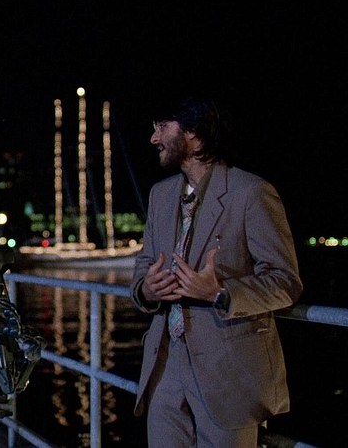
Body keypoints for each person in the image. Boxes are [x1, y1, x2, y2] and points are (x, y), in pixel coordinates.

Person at [130, 95, 303, 447]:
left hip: (229, 373)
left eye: (162, 127)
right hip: (164, 368)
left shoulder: (252, 192)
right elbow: (144, 267)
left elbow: (285, 281)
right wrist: (147, 290)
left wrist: (220, 293)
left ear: (193, 133)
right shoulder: (160, 195)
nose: (154, 138)